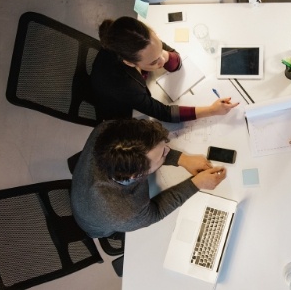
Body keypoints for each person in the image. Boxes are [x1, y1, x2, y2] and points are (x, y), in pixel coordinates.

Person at [71, 118, 227, 238]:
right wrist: (196, 184)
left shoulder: (106, 130)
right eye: (163, 154)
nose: (168, 151)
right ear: (137, 174)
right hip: (99, 224)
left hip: (85, 187)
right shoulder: (124, 213)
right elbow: (155, 212)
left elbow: (149, 150)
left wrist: (182, 159)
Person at [92, 16, 238, 122]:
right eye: (154, 62)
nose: (162, 60)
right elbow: (164, 113)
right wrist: (211, 110)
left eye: (160, 49)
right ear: (130, 63)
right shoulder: (124, 86)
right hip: (124, 114)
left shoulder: (140, 39)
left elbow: (176, 63)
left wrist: (161, 55)